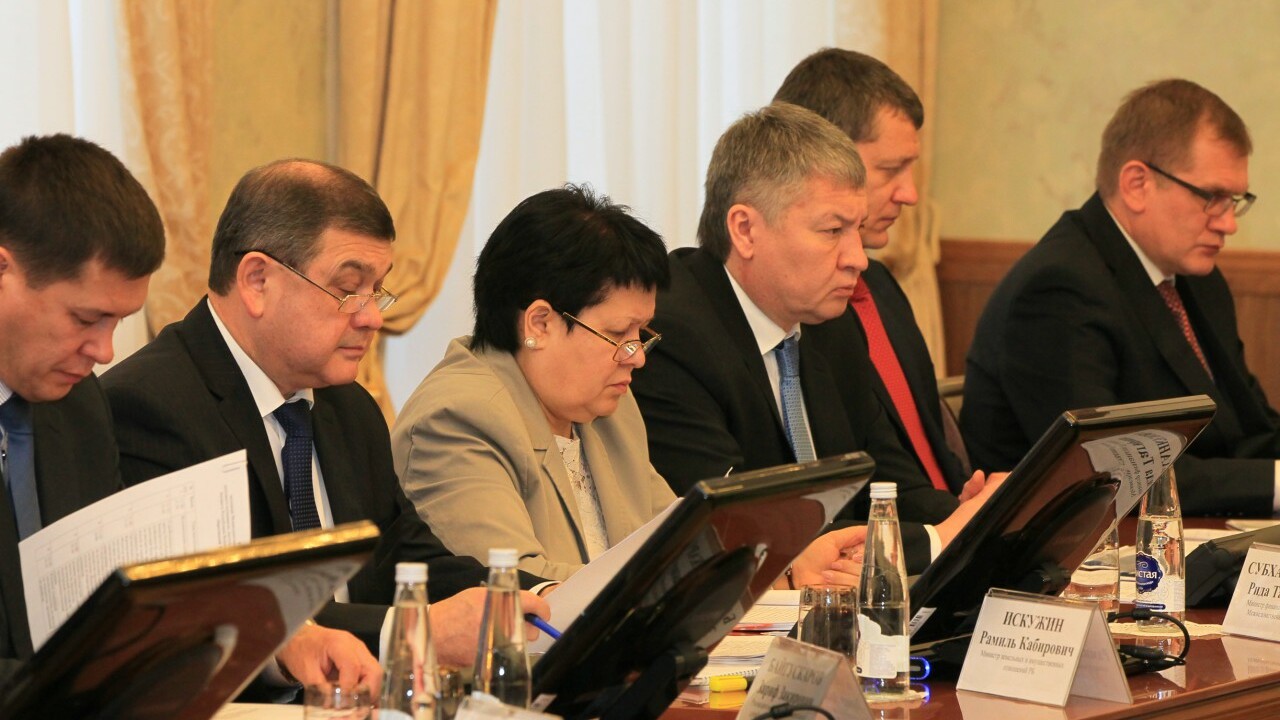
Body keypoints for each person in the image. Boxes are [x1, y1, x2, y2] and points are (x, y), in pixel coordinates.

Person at [101, 158, 549, 666]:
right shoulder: (149, 407)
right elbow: (215, 612)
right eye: (347, 289)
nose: (372, 317)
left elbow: (405, 556)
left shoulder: (349, 406)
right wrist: (408, 631)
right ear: (257, 281)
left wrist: (543, 598)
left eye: (377, 290)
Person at [0, 134, 379, 690]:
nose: (104, 351)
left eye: (117, 322)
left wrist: (280, 642)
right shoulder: (134, 401)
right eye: (85, 319)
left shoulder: (77, 410)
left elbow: (123, 613)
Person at [391, 185, 865, 587]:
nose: (637, 357)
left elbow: (680, 547)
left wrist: (785, 566)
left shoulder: (607, 410)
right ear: (540, 323)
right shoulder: (459, 419)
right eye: (618, 334)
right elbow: (518, 589)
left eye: (641, 334)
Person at [630, 103, 997, 574]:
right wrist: (937, 539)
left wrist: (978, 517)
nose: (857, 258)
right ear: (745, 229)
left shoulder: (830, 323)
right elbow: (744, 532)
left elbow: (888, 485)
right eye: (832, 230)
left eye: (857, 230)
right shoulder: (669, 337)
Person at [963, 79, 1278, 516]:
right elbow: (1111, 473)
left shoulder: (1196, 278)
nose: (1229, 223)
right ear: (1136, 184)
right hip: (1085, 547)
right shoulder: (1058, 289)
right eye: (1212, 198)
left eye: (1235, 200)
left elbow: (1249, 427)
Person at [774, 47, 971, 494]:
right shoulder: (803, 306)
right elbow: (869, 477)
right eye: (890, 170)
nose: (910, 194)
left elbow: (932, 452)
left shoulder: (879, 285)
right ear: (823, 157)